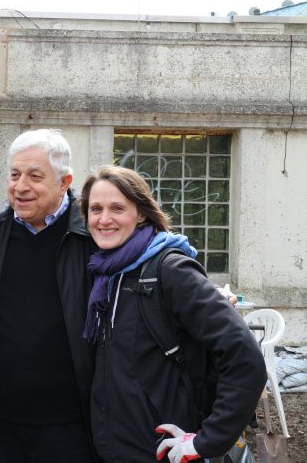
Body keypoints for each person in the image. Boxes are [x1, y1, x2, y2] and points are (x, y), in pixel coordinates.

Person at [78, 165, 266, 462]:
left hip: (163, 452)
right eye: (95, 208)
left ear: (141, 213)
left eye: (117, 208)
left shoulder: (170, 270)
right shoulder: (106, 275)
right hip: (114, 450)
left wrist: (207, 441)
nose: (104, 219)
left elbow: (246, 359)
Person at [0, 129, 99, 463]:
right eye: (14, 175)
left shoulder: (94, 233)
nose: (20, 186)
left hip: (72, 428)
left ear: (65, 181)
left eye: (35, 176)